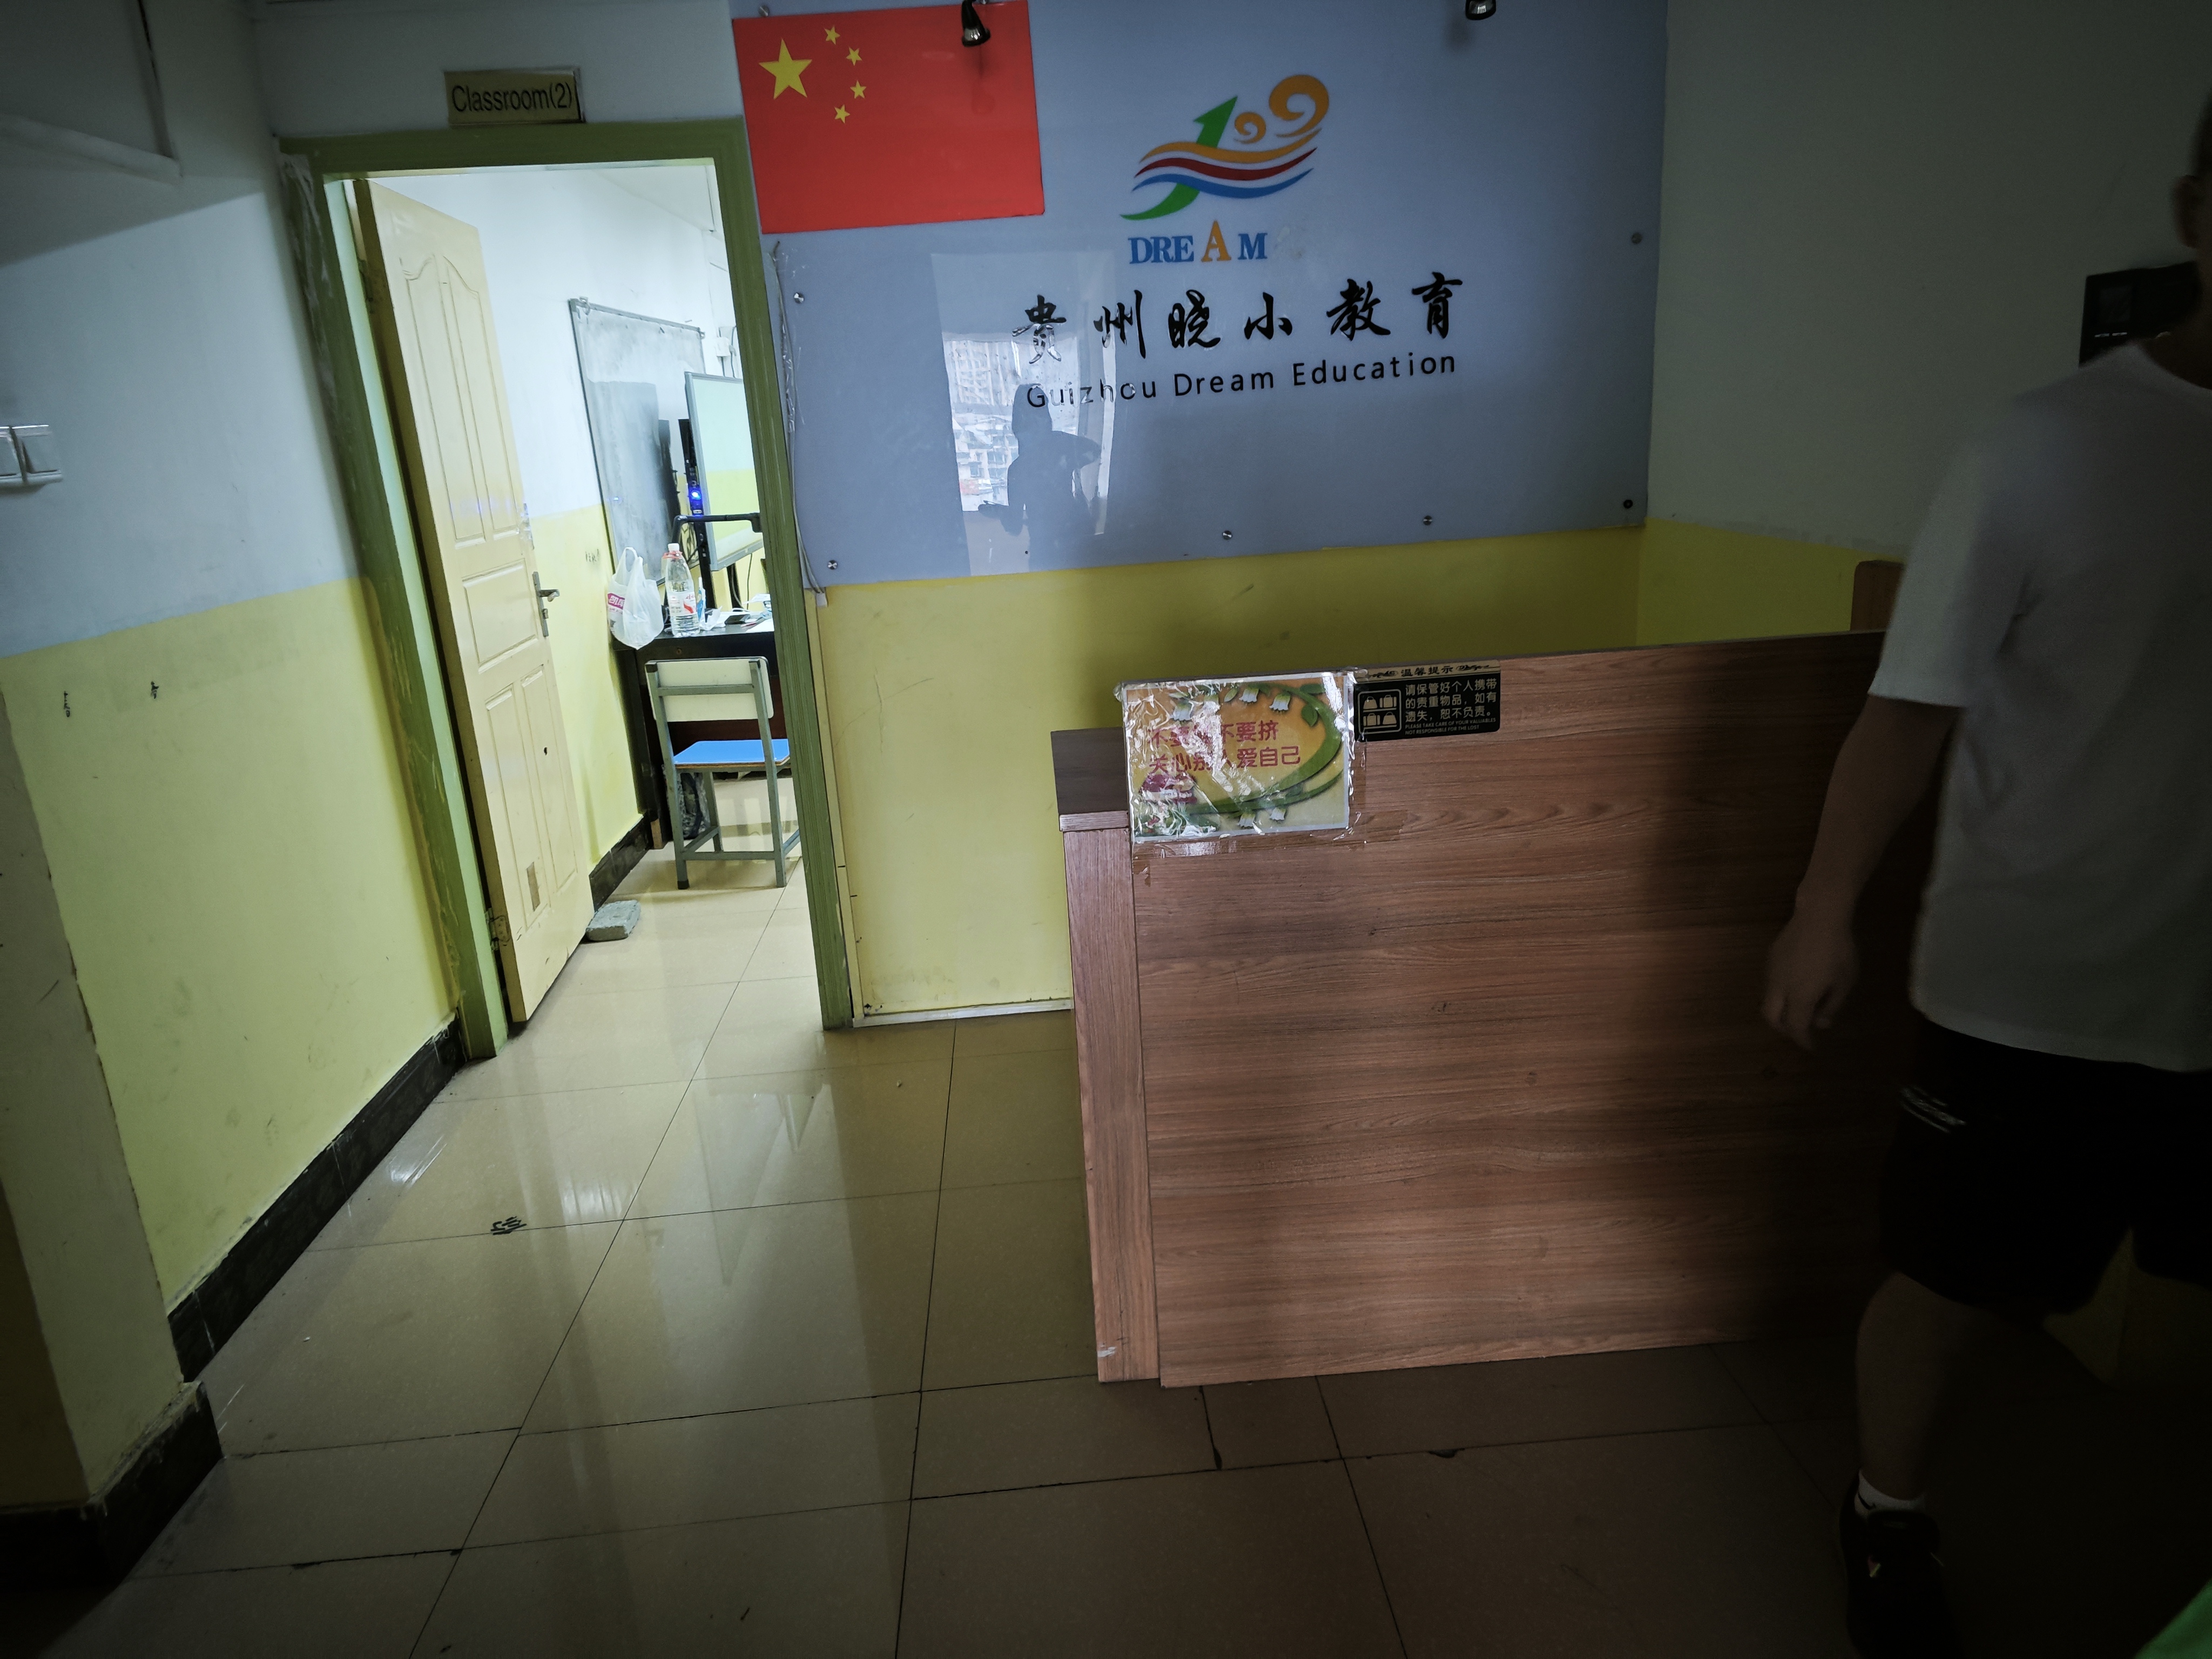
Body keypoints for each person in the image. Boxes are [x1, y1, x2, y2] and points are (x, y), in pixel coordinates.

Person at [1762, 95, 2212, 1658]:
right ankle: (1888, 1514)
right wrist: (1823, 910)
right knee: (1950, 1279)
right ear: (2196, 213)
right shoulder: (2045, 446)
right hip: (2033, 987)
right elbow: (1910, 709)